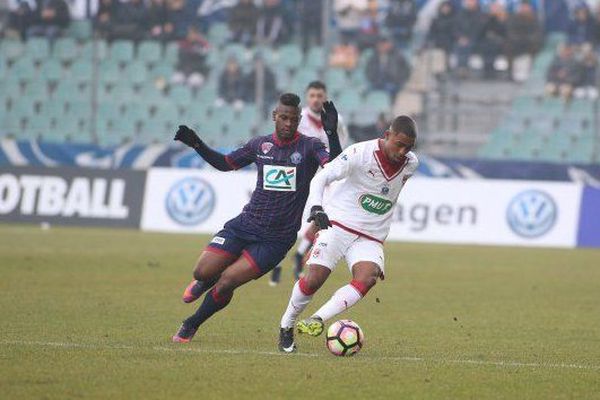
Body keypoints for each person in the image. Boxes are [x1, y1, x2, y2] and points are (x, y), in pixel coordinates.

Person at [171, 93, 343, 343]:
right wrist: (197, 144)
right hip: (245, 224)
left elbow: (334, 169)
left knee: (228, 281)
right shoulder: (259, 145)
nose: (288, 124)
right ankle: (205, 280)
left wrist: (332, 134)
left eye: (293, 119)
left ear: (298, 120)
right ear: (275, 116)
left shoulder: (310, 146)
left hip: (276, 239)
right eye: (283, 118)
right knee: (201, 271)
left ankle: (191, 323)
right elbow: (226, 163)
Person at [277, 115, 419, 352]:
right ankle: (286, 325)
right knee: (313, 279)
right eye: (399, 144)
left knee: (368, 277)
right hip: (339, 224)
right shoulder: (359, 153)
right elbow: (323, 177)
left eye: (409, 147)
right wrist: (316, 207)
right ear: (387, 135)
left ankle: (318, 319)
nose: (403, 151)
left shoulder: (410, 163)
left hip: (371, 235)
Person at [269, 81, 349, 285]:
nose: (316, 99)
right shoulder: (296, 118)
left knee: (321, 218)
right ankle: (275, 265)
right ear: (307, 97)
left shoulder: (336, 120)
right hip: (297, 176)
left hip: (324, 178)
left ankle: (300, 255)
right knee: (287, 222)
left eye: (319, 95)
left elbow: (342, 147)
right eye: (312, 95)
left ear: (325, 96)